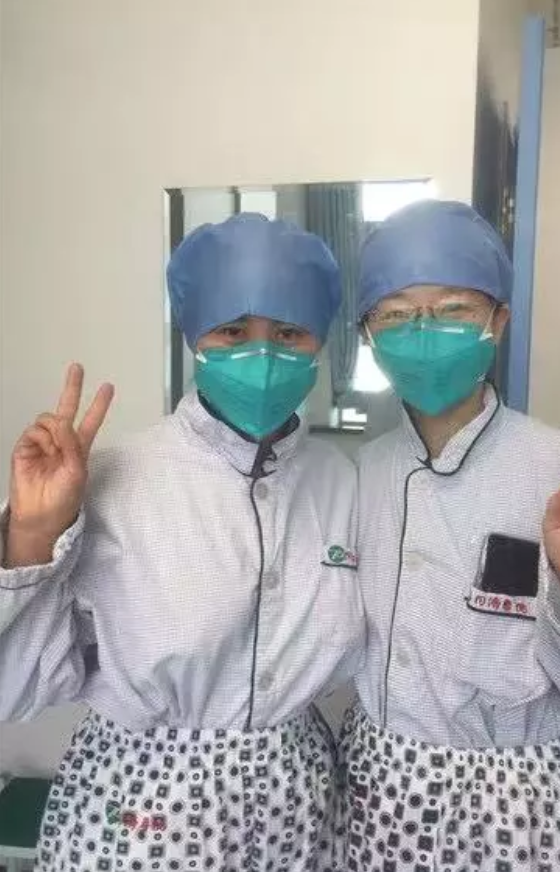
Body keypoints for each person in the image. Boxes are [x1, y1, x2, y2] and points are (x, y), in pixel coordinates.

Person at [0, 213, 365, 872]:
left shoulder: (342, 484)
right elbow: (12, 691)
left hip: (299, 814)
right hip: (140, 818)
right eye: (234, 330)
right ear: (195, 334)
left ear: (320, 341)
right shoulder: (113, 479)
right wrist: (31, 532)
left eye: (288, 332)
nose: (262, 355)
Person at [342, 199, 560, 872]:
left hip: (521, 810)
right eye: (396, 314)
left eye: (454, 309)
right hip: (376, 793)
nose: (424, 331)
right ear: (368, 334)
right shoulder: (360, 475)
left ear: (498, 320)